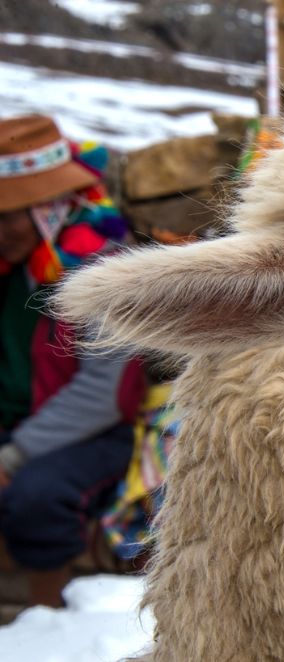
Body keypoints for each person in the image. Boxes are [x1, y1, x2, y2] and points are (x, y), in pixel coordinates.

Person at [0, 115, 143, 608]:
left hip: (95, 431)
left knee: (36, 497)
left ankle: (47, 617)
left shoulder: (101, 271)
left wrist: (14, 456)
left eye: (6, 217)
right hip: (20, 418)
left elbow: (102, 396)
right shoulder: (13, 269)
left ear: (47, 210)